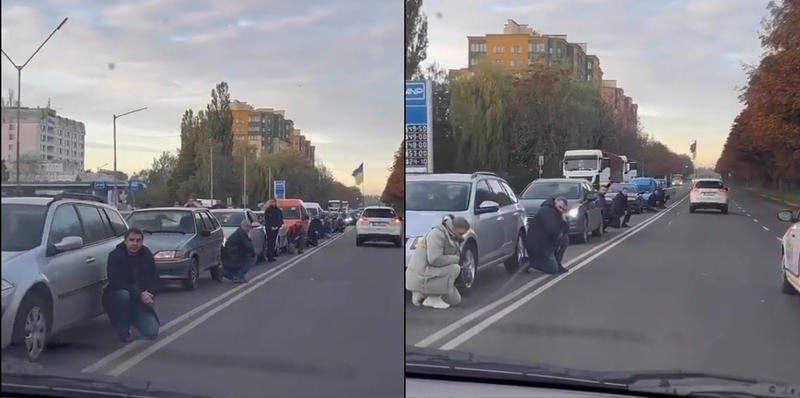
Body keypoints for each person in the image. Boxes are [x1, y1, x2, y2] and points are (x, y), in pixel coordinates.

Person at [102, 228, 160, 342]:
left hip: (139, 299)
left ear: (142, 242)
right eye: (131, 240)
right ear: (125, 241)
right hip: (117, 297)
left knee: (152, 332)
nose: (135, 243)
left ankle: (133, 316)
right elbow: (115, 281)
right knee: (123, 295)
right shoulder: (115, 256)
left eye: (138, 240)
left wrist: (150, 294)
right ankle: (122, 324)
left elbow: (155, 278)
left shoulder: (146, 254)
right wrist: (140, 294)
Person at [405, 215, 469, 309]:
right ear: (454, 229)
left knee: (455, 300)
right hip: (422, 273)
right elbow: (434, 259)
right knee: (454, 269)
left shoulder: (449, 235)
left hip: (429, 272)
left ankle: (422, 295)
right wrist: (455, 259)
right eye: (461, 233)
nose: (462, 236)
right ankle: (433, 298)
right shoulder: (437, 234)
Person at [524, 197, 570, 274]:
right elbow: (553, 231)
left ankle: (558, 263)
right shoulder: (546, 211)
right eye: (560, 207)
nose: (561, 210)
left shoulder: (558, 213)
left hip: (548, 243)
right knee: (552, 269)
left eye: (563, 209)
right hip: (538, 245)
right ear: (555, 203)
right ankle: (529, 262)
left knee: (565, 239)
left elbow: (565, 231)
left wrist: (565, 220)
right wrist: (562, 222)